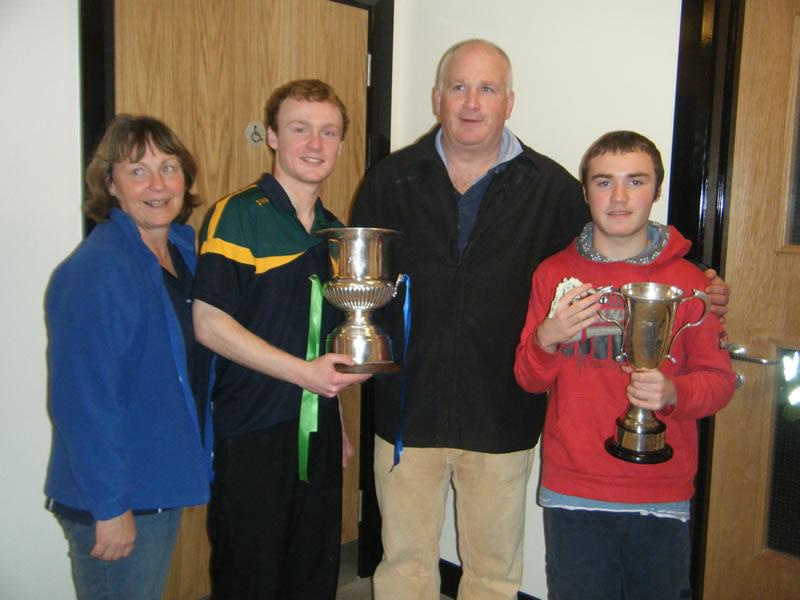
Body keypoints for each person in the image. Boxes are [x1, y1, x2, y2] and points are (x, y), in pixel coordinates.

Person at [350, 40, 731, 600]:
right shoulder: (392, 179)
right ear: (437, 98)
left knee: (492, 574)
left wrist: (695, 282)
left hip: (503, 414)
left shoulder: (552, 189)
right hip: (407, 409)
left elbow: (615, 241)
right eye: (459, 87)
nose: (472, 102)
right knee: (403, 566)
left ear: (510, 102)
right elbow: (358, 278)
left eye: (487, 89)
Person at [513, 130, 736, 599]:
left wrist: (674, 393)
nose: (618, 197)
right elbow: (528, 380)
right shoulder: (553, 274)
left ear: (657, 190)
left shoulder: (692, 283)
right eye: (603, 182)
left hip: (660, 492)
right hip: (573, 489)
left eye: (635, 181)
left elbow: (719, 382)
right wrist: (546, 338)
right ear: (585, 191)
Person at [192, 79, 369, 600]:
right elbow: (209, 323)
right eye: (300, 129)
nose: (315, 144)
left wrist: (337, 420)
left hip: (318, 431)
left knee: (313, 573)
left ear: (340, 143)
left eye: (328, 132)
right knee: (250, 576)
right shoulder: (237, 214)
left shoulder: (336, 232)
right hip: (253, 429)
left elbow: (326, 337)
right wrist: (304, 375)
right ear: (272, 136)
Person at [44, 115, 213, 600]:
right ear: (111, 185)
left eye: (169, 167)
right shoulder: (96, 271)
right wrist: (110, 508)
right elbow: (82, 403)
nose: (158, 184)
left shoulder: (185, 251)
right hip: (118, 498)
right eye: (137, 171)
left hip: (159, 480)